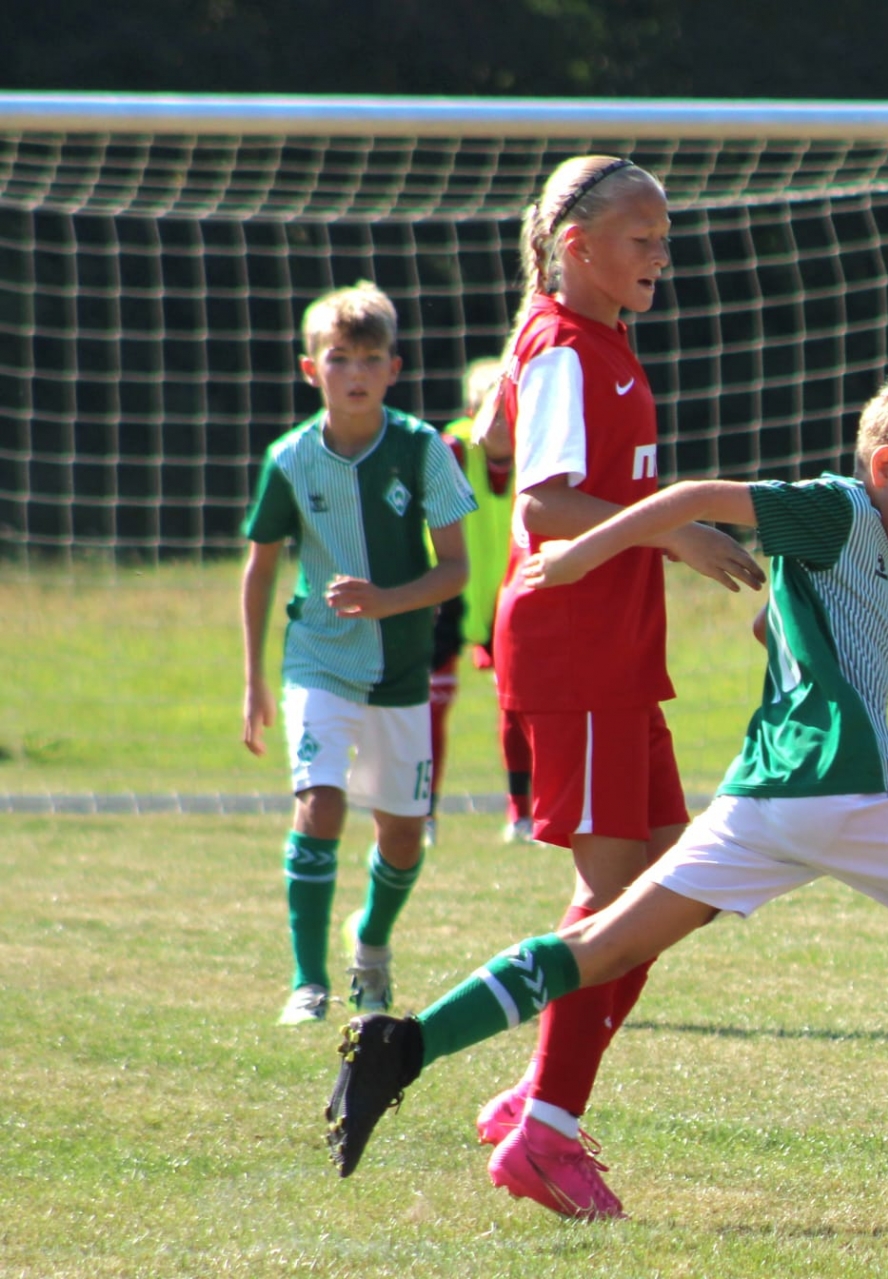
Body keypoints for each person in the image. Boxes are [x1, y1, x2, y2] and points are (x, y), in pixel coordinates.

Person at [324, 374, 888, 1233]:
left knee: (600, 946)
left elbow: (784, 618)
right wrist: (576, 555)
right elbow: (695, 498)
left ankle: (402, 1044)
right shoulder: (842, 508)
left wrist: (782, 619)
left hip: (761, 798)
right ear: (885, 467)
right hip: (846, 790)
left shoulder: (856, 541)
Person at [456, 156, 764, 1215]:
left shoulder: (588, 339)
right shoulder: (562, 346)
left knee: (678, 887)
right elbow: (542, 506)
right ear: (577, 247)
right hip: (575, 650)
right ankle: (546, 1129)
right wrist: (677, 532)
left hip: (617, 650)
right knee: (623, 899)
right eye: (644, 239)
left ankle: (539, 1098)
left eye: (666, 239)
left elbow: (506, 445)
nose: (662, 257)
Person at [240, 280, 476, 1026]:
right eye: (339, 358)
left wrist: (385, 600)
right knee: (320, 805)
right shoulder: (290, 458)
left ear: (393, 369)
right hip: (318, 660)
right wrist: (253, 680)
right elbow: (259, 570)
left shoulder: (423, 449)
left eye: (371, 358)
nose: (355, 373)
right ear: (311, 369)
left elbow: (456, 570)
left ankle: (370, 943)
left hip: (402, 671)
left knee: (402, 835)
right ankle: (307, 983)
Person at [440, 356, 535, 844]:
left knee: (517, 708)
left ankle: (521, 813)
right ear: (470, 412)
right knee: (426, 707)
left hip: (510, 602)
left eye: (507, 408)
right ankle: (420, 815)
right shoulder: (451, 453)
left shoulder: (538, 456)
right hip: (444, 597)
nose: (498, 421)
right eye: (488, 409)